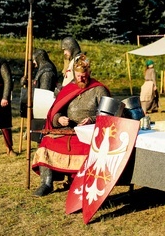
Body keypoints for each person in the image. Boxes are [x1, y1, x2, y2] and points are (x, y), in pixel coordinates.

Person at [31, 53, 110, 197]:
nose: (81, 78)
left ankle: (78, 182)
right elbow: (54, 112)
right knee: (46, 142)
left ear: (89, 72)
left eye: (83, 74)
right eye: (78, 75)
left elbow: (107, 115)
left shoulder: (99, 89)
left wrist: (92, 120)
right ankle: (46, 183)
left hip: (88, 133)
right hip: (66, 130)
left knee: (86, 149)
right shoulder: (69, 88)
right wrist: (59, 119)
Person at [0, 55, 16, 156]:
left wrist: (5, 97)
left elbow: (7, 80)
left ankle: (9, 148)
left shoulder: (0, 63)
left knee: (4, 123)